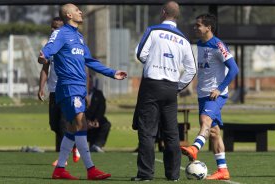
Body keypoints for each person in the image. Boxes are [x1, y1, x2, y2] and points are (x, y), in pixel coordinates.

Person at [38, 3, 127, 180]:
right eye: (77, 10)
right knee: (82, 125)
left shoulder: (78, 37)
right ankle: (91, 169)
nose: (81, 12)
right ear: (69, 15)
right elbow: (49, 48)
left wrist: (112, 73)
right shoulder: (61, 33)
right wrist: (44, 55)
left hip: (78, 88)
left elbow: (90, 61)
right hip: (68, 87)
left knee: (72, 129)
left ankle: (60, 169)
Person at [132, 1, 196, 181]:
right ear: (177, 16)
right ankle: (173, 175)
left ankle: (145, 174)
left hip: (152, 84)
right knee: (172, 132)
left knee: (147, 130)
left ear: (163, 13)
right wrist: (178, 87)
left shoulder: (153, 31)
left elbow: (140, 53)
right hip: (171, 88)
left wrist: (153, 62)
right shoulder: (183, 39)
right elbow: (191, 69)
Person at [180, 13, 239, 180]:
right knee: (213, 132)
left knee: (205, 120)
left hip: (215, 95)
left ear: (208, 28)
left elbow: (234, 69)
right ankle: (223, 170)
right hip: (203, 94)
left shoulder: (218, 45)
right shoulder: (199, 44)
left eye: (198, 25)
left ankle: (195, 148)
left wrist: (219, 89)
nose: (195, 28)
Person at [38, 17, 80, 167]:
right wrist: (41, 88)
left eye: (56, 28)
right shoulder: (49, 47)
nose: (52, 30)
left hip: (66, 90)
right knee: (54, 125)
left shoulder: (68, 45)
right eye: (51, 27)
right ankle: (75, 144)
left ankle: (63, 159)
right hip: (54, 91)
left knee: (63, 124)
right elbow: (45, 68)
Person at [86, 86, 111, 153]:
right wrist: (86, 121)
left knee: (106, 124)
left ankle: (97, 145)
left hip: (94, 119)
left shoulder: (98, 93)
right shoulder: (77, 92)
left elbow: (102, 108)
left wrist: (96, 120)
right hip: (81, 119)